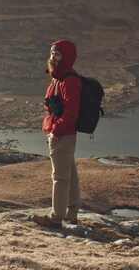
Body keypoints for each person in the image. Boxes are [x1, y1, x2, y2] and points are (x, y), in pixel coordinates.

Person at [32, 39, 82, 229]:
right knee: (70, 173)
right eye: (52, 53)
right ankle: (72, 213)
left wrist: (56, 131)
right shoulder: (59, 77)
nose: (53, 57)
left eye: (58, 54)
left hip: (62, 134)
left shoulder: (69, 80)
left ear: (67, 57)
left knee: (59, 177)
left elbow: (71, 113)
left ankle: (55, 218)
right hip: (62, 132)